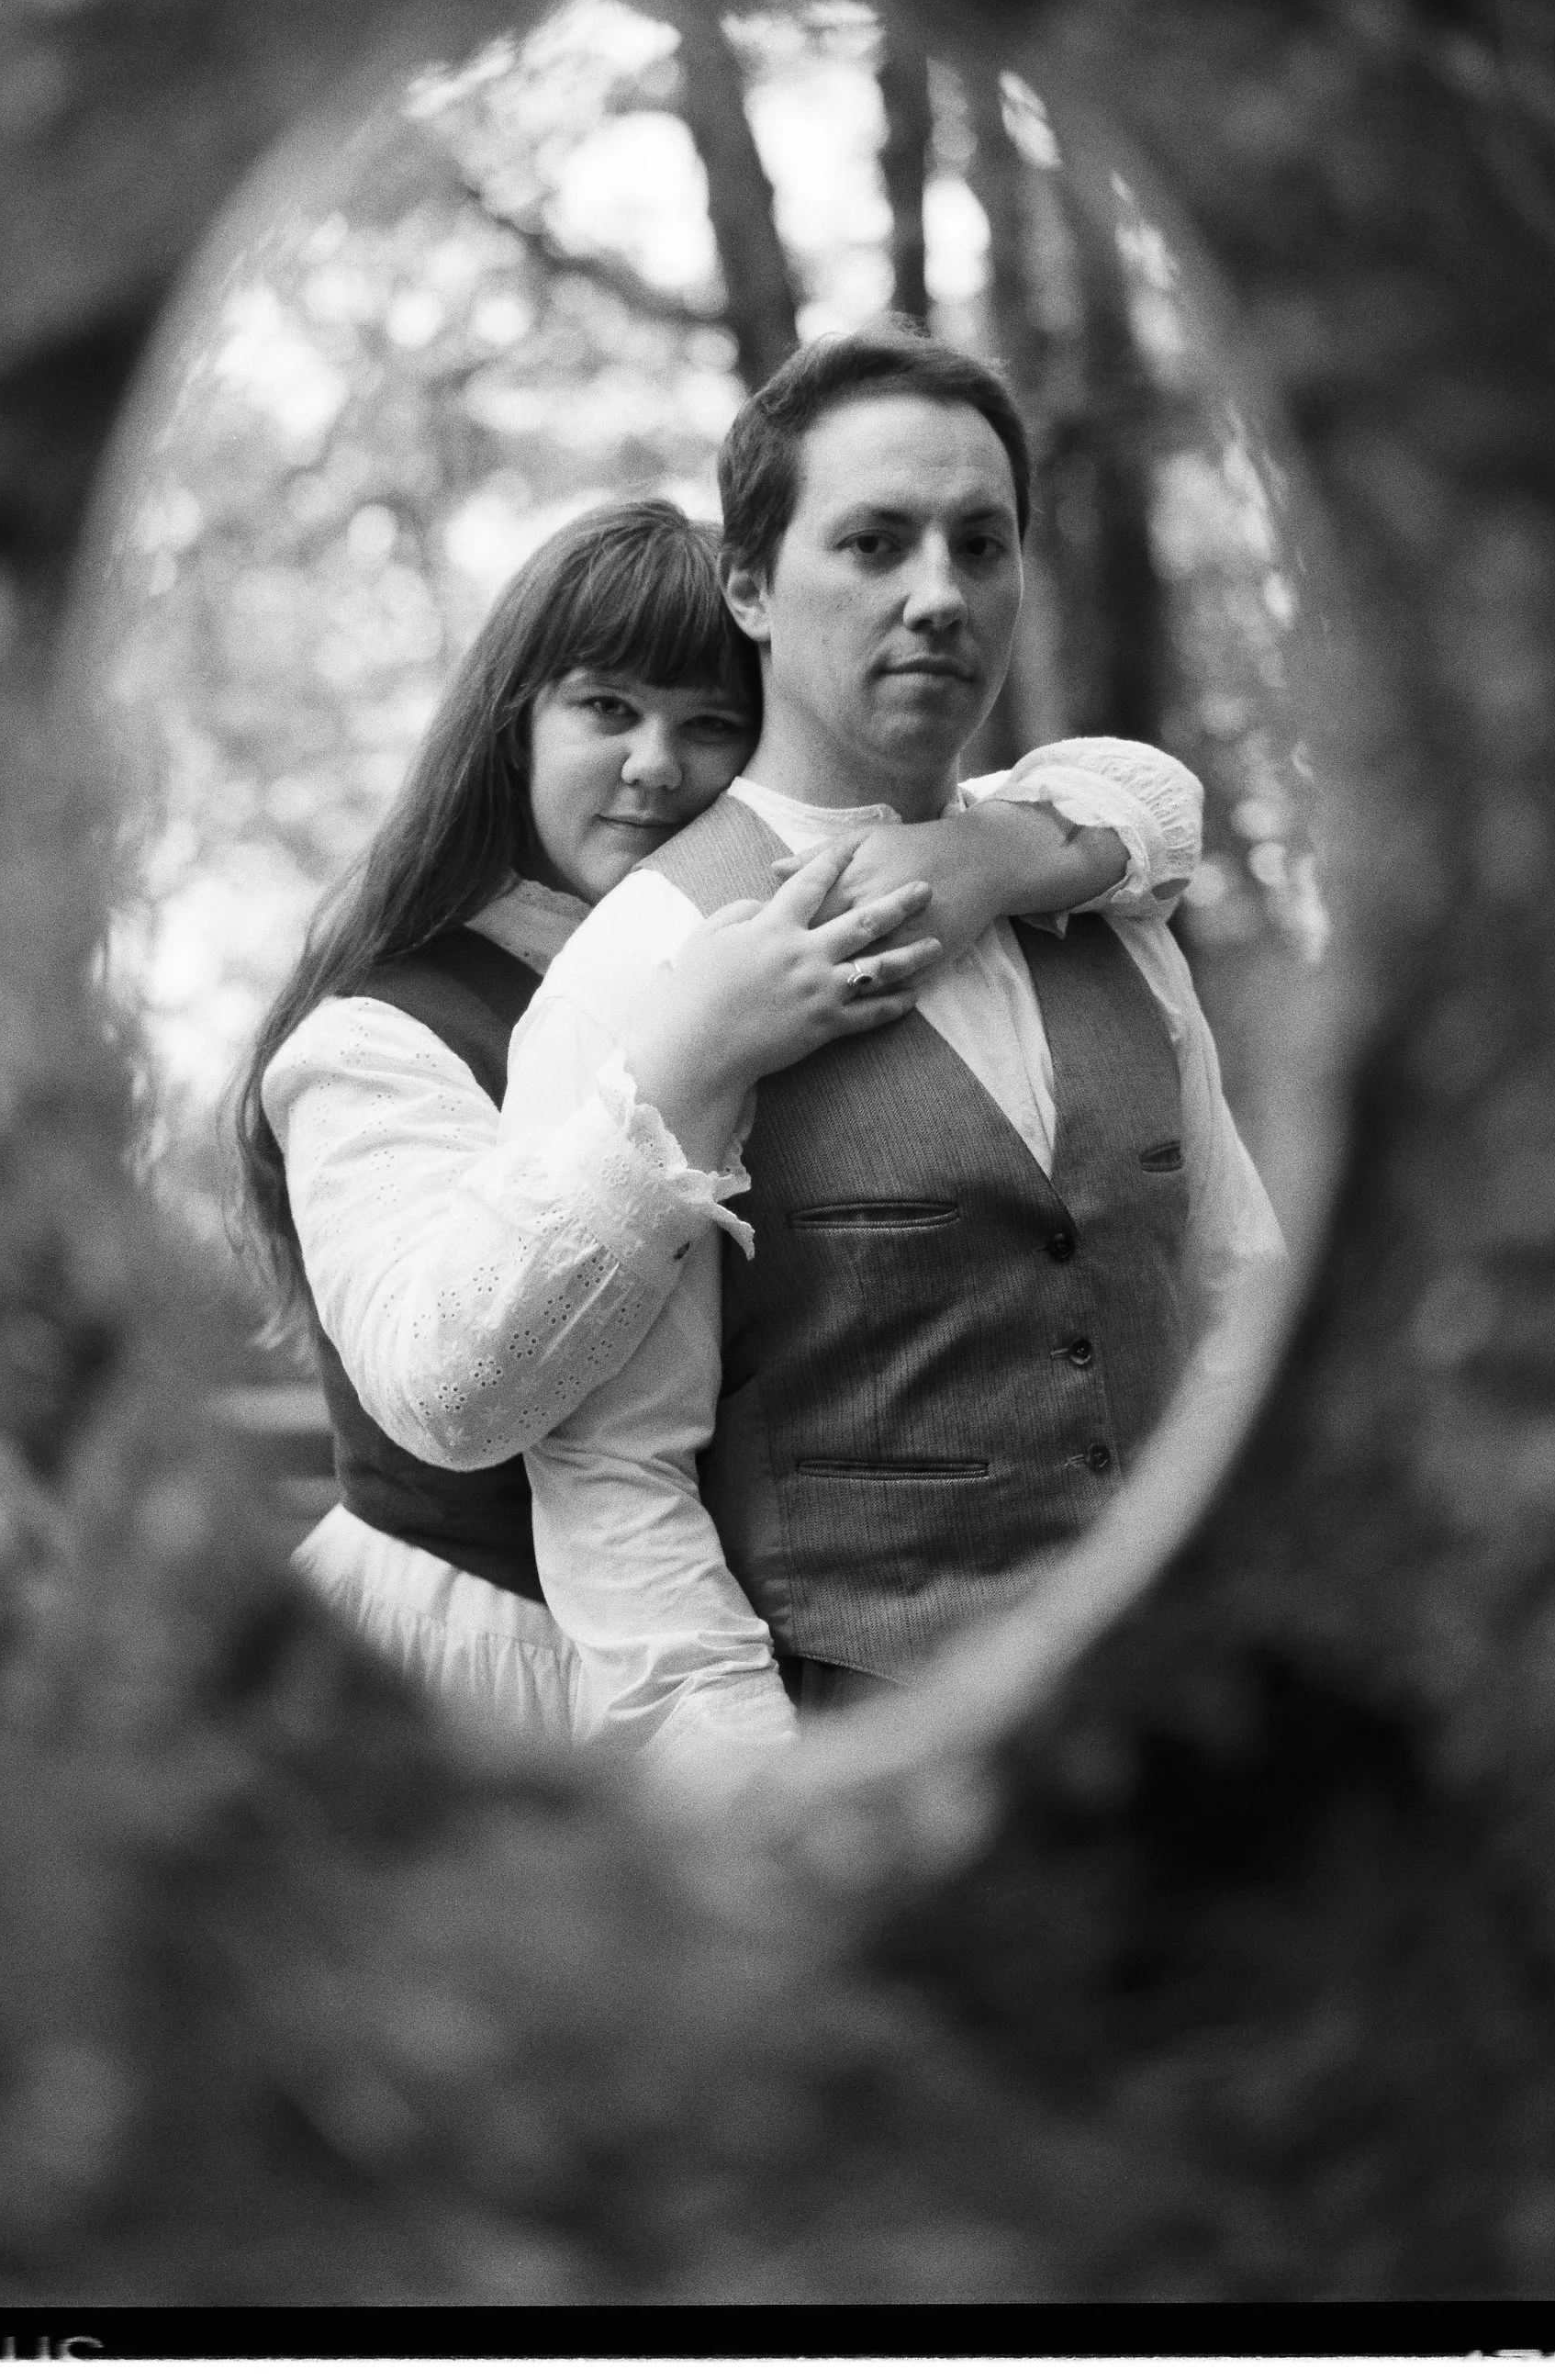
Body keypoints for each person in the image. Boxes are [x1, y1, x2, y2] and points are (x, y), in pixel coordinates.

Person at [235, 494, 1203, 1748]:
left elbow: (1149, 791)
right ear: (510, 725)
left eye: (707, 725)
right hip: (479, 1661)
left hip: (731, 1672)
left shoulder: (777, 933)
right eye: (605, 709)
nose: (653, 765)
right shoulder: (379, 1037)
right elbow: (449, 1390)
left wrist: (992, 860)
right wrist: (686, 1057)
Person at [509, 333, 1289, 1770]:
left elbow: (1236, 1281)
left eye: (981, 546)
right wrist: (777, 1814)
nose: (940, 595)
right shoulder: (641, 968)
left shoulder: (1103, 907)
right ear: (749, 581)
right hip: (864, 1754)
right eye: (874, 542)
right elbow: (618, 1484)